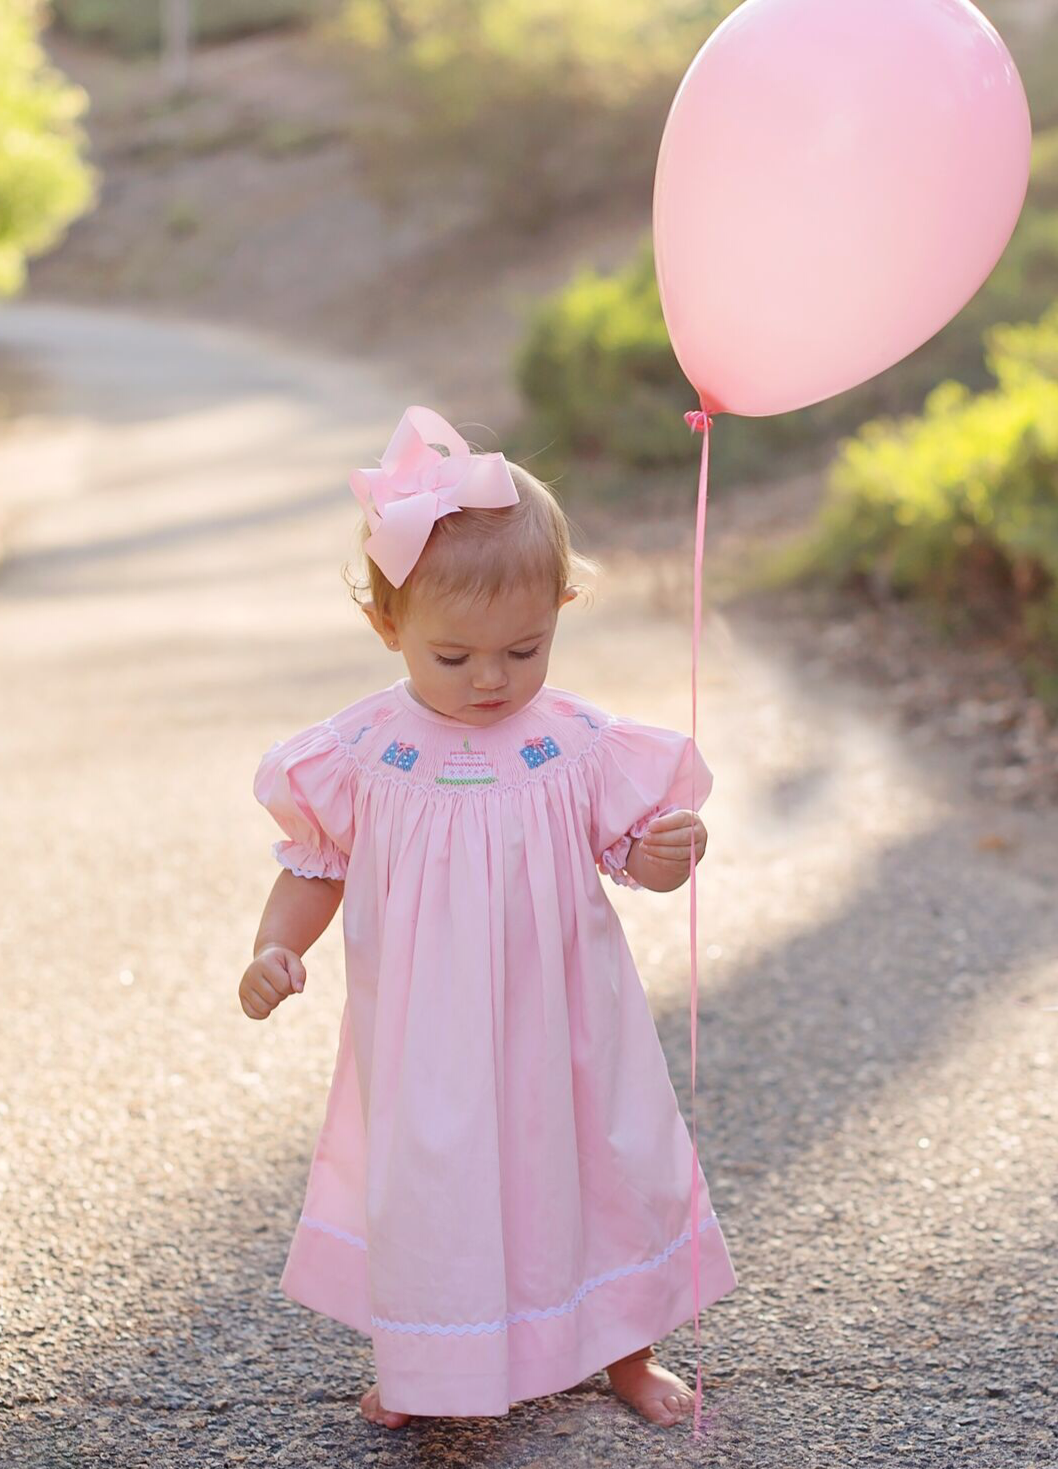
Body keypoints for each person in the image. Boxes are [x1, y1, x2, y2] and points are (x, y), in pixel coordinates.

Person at [242, 406, 736, 1428]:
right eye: (454, 657)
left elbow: (636, 858)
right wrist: (275, 947)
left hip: (565, 1017)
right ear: (390, 629)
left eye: (524, 648)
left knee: (595, 1163)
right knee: (433, 1187)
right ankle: (434, 1364)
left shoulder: (578, 744)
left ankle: (624, 1351)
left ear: (560, 610)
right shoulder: (362, 752)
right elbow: (316, 865)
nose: (493, 679)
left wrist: (664, 853)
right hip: (426, 1035)